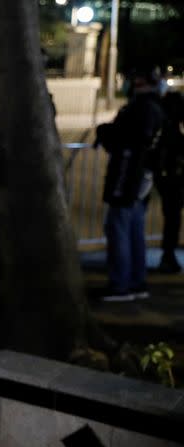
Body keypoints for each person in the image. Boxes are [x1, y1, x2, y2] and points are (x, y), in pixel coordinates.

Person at [95, 66, 166, 301]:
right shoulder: (154, 107)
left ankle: (121, 285)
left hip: (129, 176)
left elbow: (129, 138)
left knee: (119, 228)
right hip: (139, 177)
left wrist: (107, 133)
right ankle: (136, 282)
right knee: (133, 229)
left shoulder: (142, 109)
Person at [155, 89, 184, 273]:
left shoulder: (166, 126)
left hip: (170, 177)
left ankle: (168, 253)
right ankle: (168, 254)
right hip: (174, 178)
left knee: (172, 217)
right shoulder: (173, 128)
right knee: (173, 217)